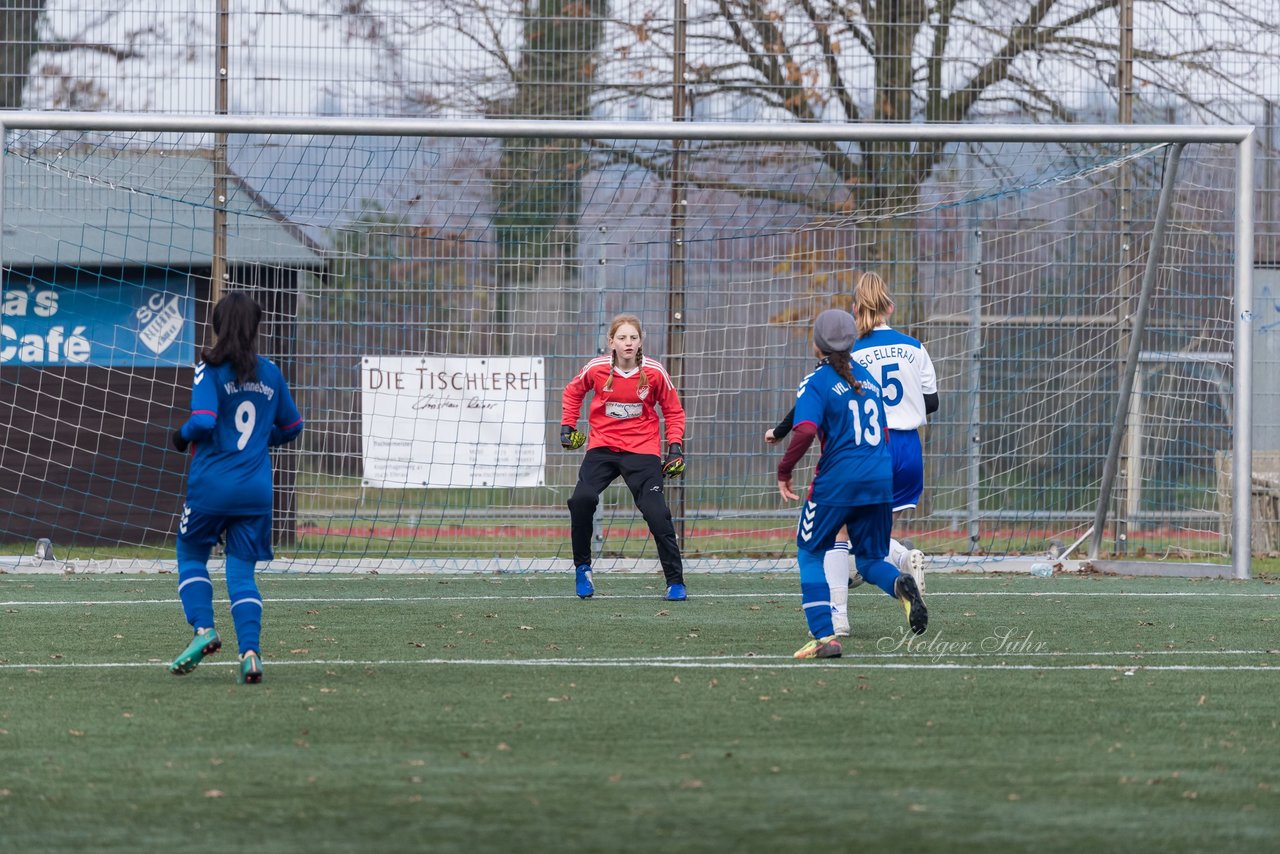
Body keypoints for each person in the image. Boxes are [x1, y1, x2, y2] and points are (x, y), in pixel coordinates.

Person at [766, 271, 938, 635]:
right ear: (890, 306)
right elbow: (932, 402)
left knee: (832, 540)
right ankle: (902, 562)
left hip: (854, 457)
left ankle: (836, 619)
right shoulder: (911, 348)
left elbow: (808, 418)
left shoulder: (847, 360)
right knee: (869, 545)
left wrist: (782, 450)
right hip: (898, 449)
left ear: (856, 309)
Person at [167, 291, 304, 684]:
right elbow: (293, 428)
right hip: (257, 490)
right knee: (242, 575)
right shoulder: (272, 373)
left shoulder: (208, 368)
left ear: (217, 326)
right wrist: (263, 439)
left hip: (213, 486)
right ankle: (250, 654)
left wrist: (180, 436)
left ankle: (204, 630)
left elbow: (205, 420)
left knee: (191, 554)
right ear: (256, 328)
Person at [561, 314, 688, 601]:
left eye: (633, 337)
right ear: (612, 343)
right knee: (581, 500)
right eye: (622, 338)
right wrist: (568, 426)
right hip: (603, 448)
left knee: (657, 513)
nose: (628, 343)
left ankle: (675, 581)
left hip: (642, 450)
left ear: (640, 341)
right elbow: (572, 392)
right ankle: (583, 569)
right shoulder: (596, 368)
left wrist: (675, 447)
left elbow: (673, 411)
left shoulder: (655, 372)